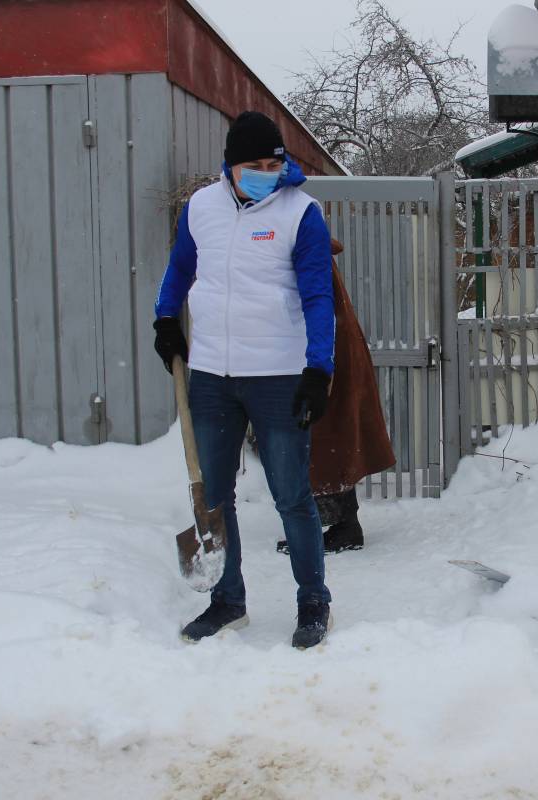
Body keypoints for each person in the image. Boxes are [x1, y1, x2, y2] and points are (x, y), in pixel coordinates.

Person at [153, 111, 335, 649]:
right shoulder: (201, 209)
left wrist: (317, 369)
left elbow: (317, 296)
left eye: (272, 163)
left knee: (291, 495)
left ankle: (313, 601)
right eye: (252, 165)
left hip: (277, 374)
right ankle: (227, 601)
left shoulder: (302, 212)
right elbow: (181, 268)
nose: (265, 172)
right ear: (229, 167)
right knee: (213, 495)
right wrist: (166, 318)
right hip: (210, 374)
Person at [277, 237, 397, 556]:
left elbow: (310, 305)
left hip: (325, 357)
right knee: (330, 442)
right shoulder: (304, 247)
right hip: (328, 352)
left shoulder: (304, 249)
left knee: (327, 442)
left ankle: (343, 528)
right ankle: (333, 526)